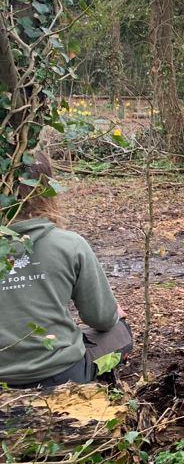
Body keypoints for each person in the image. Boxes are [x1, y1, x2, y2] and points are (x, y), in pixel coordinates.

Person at [0, 154, 134, 389]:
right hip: (61, 373)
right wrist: (115, 314)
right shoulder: (69, 244)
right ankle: (94, 388)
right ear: (46, 188)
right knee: (121, 331)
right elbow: (101, 318)